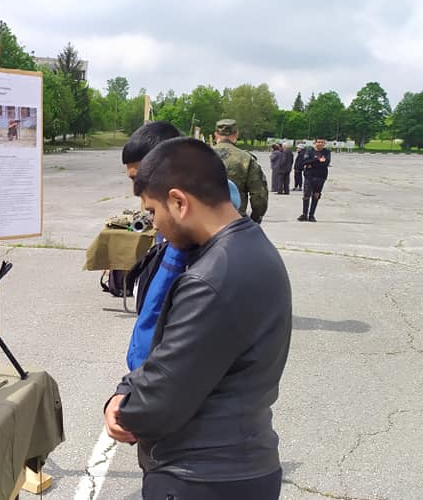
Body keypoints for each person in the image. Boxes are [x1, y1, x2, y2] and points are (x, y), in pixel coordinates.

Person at [104, 138, 292, 500]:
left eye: (153, 211)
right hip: (241, 459)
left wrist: (121, 406)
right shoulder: (251, 246)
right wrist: (129, 388)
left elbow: (159, 400)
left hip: (200, 477)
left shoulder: (211, 279)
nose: (155, 225)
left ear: (179, 201)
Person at [122, 123, 242, 371]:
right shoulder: (185, 223)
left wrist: (139, 383)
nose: (136, 192)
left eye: (138, 179)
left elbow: (159, 317)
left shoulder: (191, 239)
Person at [212, 118, 268, 223]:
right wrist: (256, 218)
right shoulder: (246, 159)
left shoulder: (200, 155)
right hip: (234, 220)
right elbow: (259, 195)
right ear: (236, 134)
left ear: (216, 134)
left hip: (203, 221)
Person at [298, 138, 332, 222]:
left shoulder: (327, 152)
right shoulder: (309, 151)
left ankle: (311, 215)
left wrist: (312, 164)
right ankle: (304, 214)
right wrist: (317, 160)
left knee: (316, 195)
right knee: (306, 195)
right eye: (319, 142)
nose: (320, 144)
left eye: (322, 142)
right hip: (309, 176)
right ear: (315, 143)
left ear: (324, 144)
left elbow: (326, 163)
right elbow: (305, 162)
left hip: (321, 176)